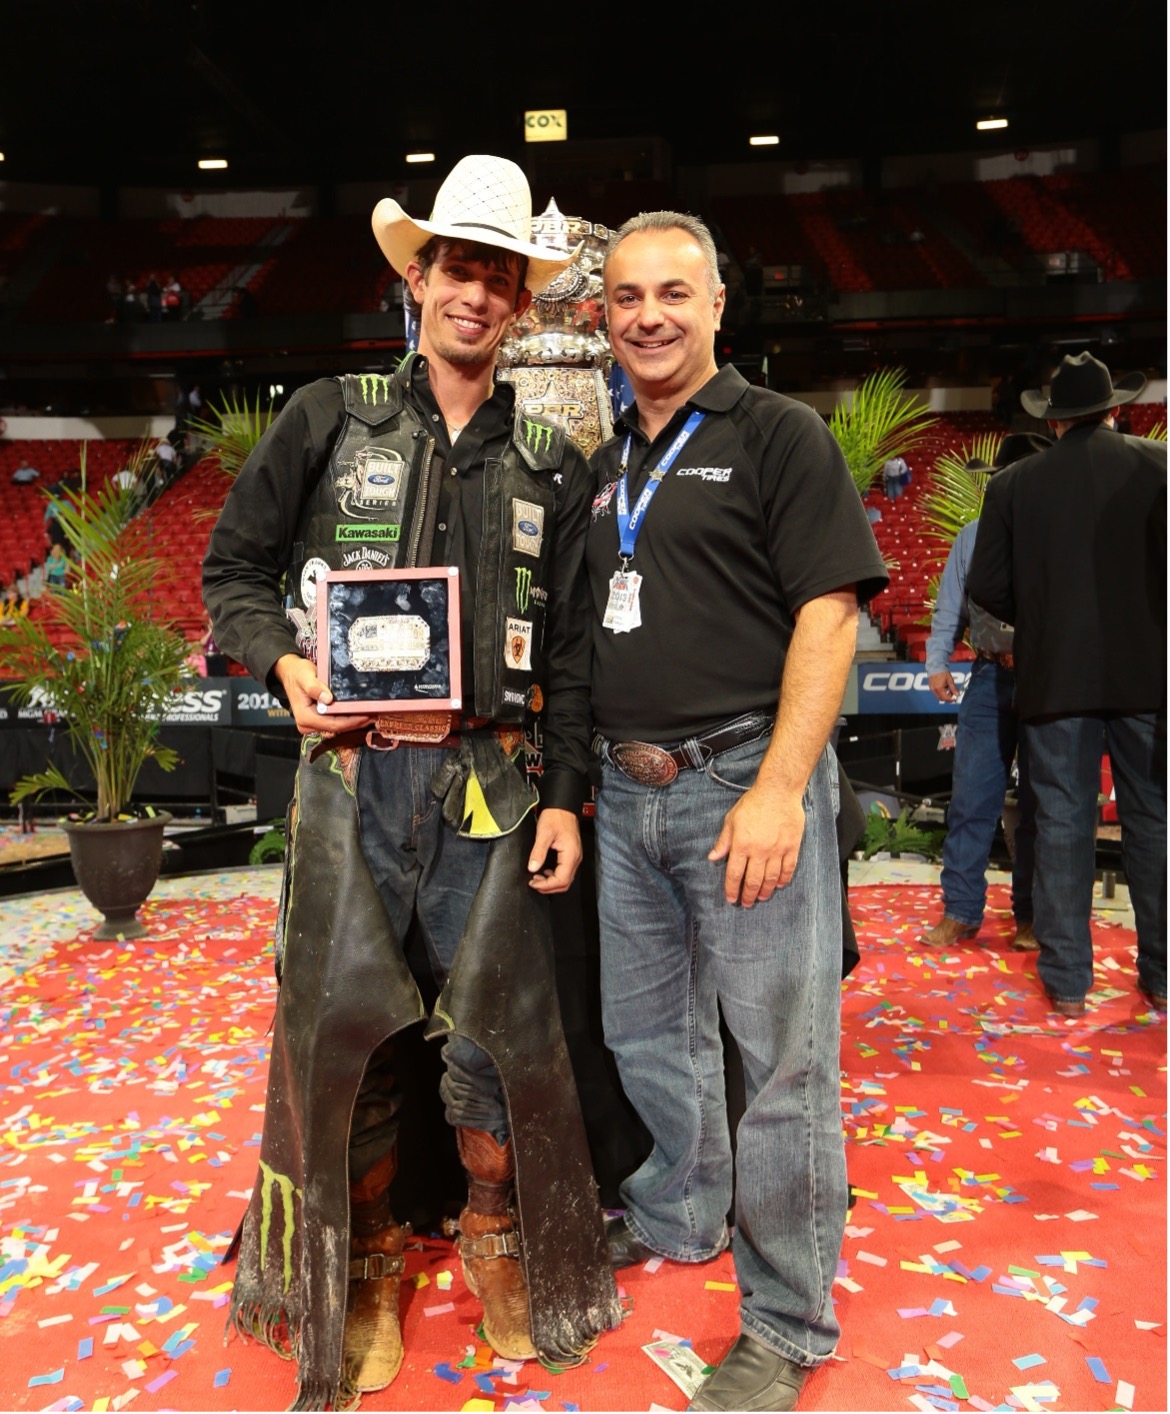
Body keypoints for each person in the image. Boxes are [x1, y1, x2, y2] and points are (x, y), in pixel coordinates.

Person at [202, 155, 619, 1409]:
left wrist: (562, 793)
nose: (476, 295)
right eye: (458, 270)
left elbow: (582, 655)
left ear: (519, 301)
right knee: (355, 1039)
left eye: (499, 275)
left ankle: (492, 1227)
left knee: (495, 1041)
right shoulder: (329, 417)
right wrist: (283, 662)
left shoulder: (555, 457)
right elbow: (234, 571)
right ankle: (371, 1254)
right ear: (419, 280)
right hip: (353, 782)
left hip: (496, 782)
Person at [586, 211, 888, 1413]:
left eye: (674, 291)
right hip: (624, 791)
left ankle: (786, 1320)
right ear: (602, 317)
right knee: (648, 1037)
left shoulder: (779, 434)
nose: (648, 314)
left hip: (739, 785)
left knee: (782, 1065)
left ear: (719, 306)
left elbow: (831, 615)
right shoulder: (605, 456)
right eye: (625, 296)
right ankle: (680, 1209)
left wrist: (776, 790)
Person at [968, 351, 1166, 1018]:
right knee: (1155, 825)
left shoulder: (1015, 484)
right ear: (1116, 409)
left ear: (1053, 422)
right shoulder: (1160, 466)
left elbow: (987, 587)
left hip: (1055, 682)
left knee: (1060, 826)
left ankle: (1068, 983)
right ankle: (1163, 978)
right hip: (1149, 681)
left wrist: (1048, 618)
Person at [919, 433, 1049, 952]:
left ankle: (1032, 916)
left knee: (1041, 805)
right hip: (990, 673)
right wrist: (936, 661)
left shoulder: (1056, 539)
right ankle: (962, 911)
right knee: (972, 798)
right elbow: (949, 605)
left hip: (1046, 677)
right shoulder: (972, 536)